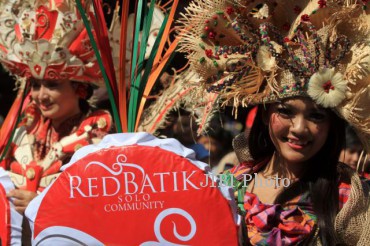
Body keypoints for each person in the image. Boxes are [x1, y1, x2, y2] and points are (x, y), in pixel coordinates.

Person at [179, 0, 370, 244]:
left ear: (332, 125)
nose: (299, 129)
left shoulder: (352, 199)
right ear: (266, 114)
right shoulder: (229, 185)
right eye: (286, 112)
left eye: (316, 116)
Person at [0, 1, 113, 215]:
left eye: (52, 85)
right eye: (35, 85)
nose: (40, 96)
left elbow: (102, 209)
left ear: (79, 88)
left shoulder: (98, 141)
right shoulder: (22, 131)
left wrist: (43, 205)